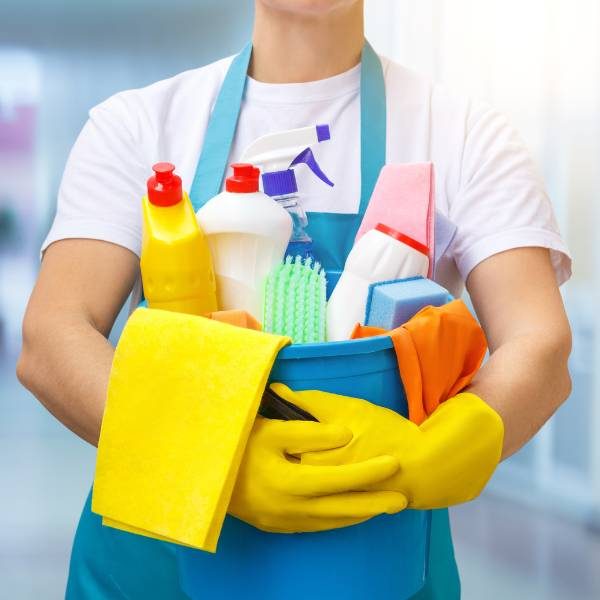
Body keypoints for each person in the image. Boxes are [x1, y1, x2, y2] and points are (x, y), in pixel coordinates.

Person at [17, 0, 572, 598]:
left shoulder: (465, 134)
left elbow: (536, 341)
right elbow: (53, 335)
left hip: (369, 553)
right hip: (157, 561)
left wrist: (462, 437)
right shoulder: (140, 123)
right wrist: (204, 453)